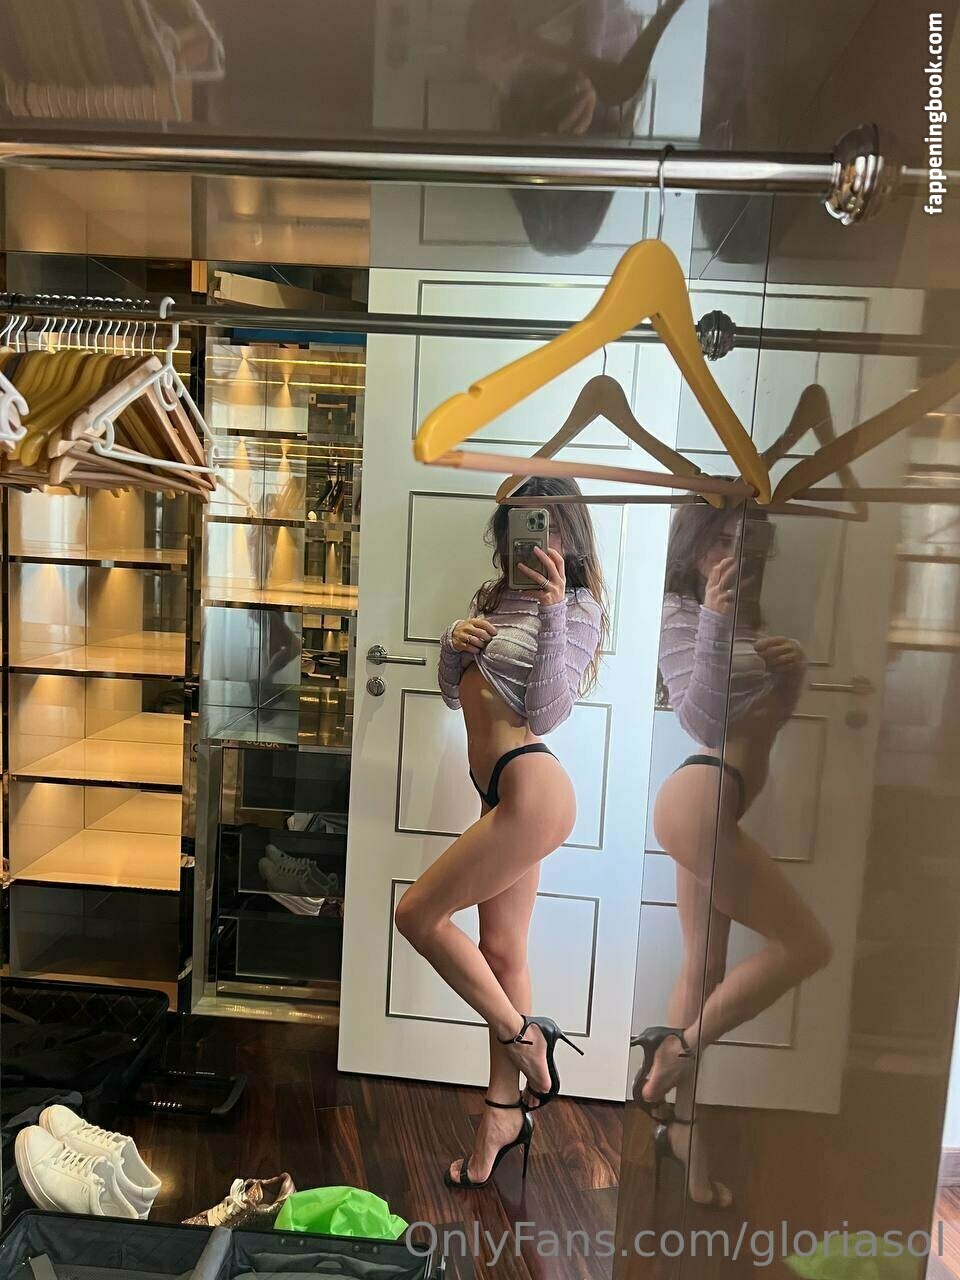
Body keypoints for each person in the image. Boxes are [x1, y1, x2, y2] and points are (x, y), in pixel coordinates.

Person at [393, 476, 607, 1189]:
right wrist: (452, 644)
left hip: (532, 785)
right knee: (503, 952)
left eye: (544, 525)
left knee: (417, 914)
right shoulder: (493, 600)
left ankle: (525, 1037)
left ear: (568, 533)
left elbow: (548, 711)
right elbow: (452, 694)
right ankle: (502, 1113)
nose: (532, 539)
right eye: (518, 524)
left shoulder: (577, 607)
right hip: (499, 793)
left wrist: (552, 610)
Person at [634, 502, 832, 1207]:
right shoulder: (680, 616)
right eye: (718, 539)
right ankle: (676, 1052)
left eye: (745, 540)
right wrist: (716, 619)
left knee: (705, 966)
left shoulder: (752, 627)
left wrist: (794, 676)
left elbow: (766, 727)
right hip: (700, 799)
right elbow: (699, 716)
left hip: (714, 804)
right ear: (691, 549)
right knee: (807, 945)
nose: (733, 552)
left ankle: (684, 1131)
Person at [467, 0, 688, 254]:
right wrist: (586, 71)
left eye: (551, 153)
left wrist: (567, 61)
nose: (563, 131)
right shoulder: (620, 97)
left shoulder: (495, 53)